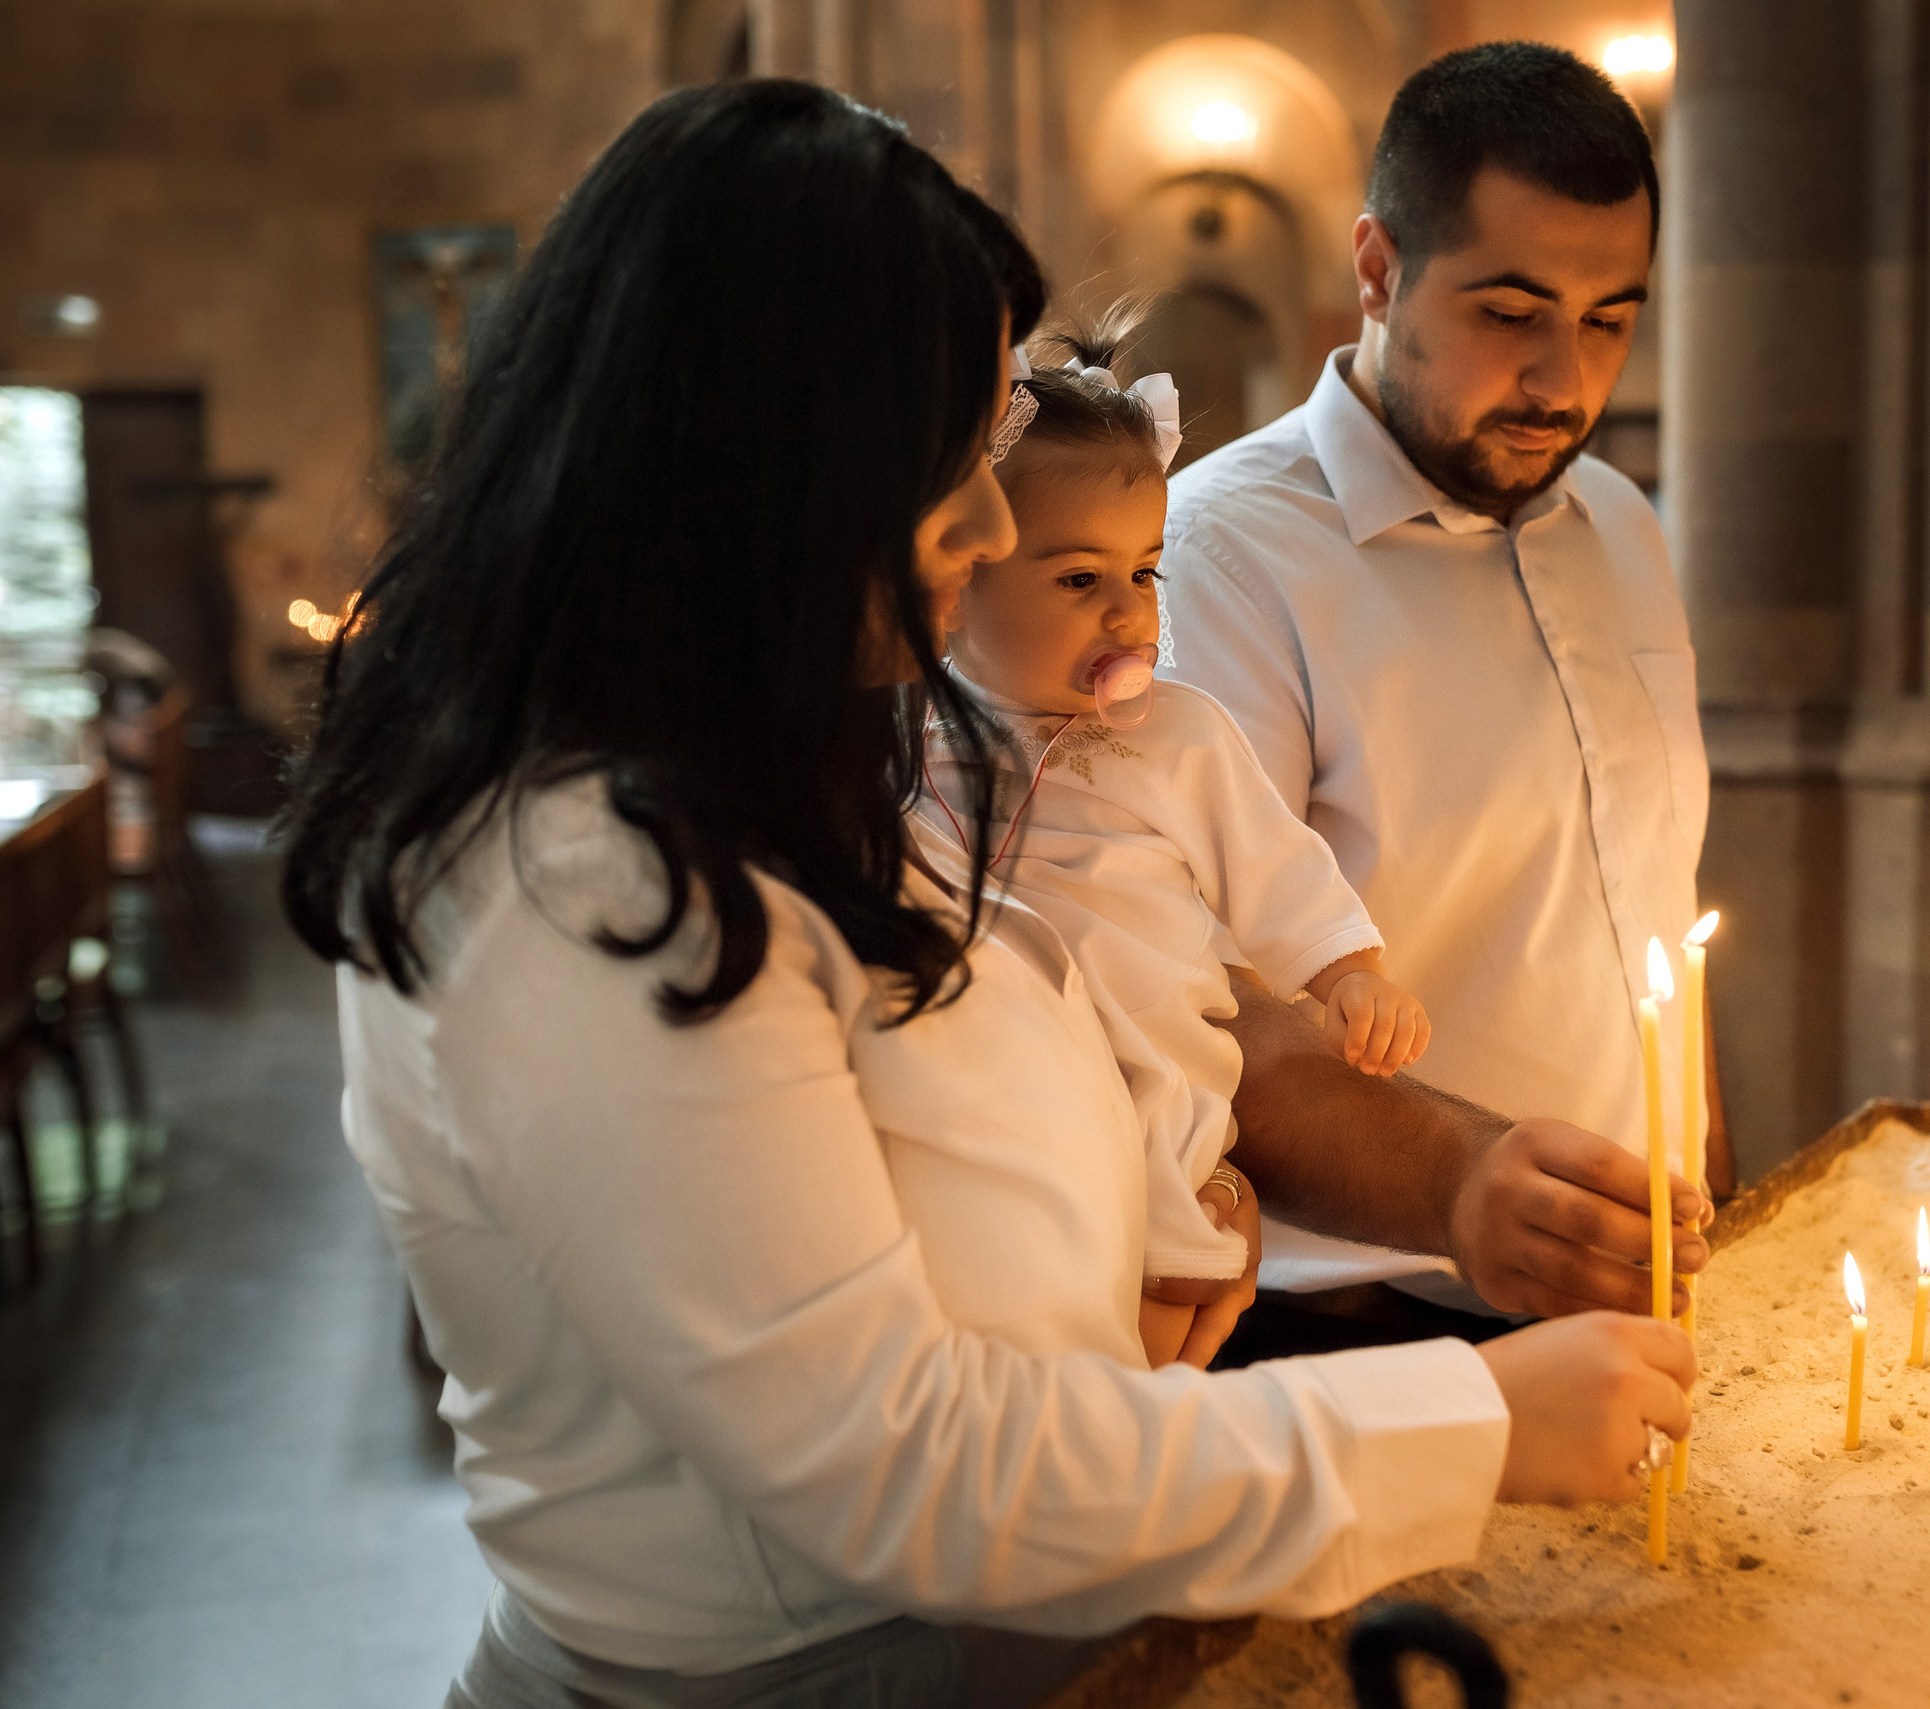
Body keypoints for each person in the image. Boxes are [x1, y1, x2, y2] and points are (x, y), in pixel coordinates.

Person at [280, 81, 1706, 1708]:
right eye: (947, 460)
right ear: (762, 463)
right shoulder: (575, 880)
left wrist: (1137, 1225)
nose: (982, 525)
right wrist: (1479, 1420)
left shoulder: (778, 752)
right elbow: (890, 1456)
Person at [1162, 42, 1729, 1323]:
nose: (1563, 382)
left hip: (1632, 1292)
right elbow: (1204, 1013)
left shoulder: (1621, 521)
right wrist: (1469, 1184)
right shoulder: (1222, 558)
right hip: (1365, 1320)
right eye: (1510, 312)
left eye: (1609, 320)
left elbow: (1643, 895)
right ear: (1377, 269)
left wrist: (1702, 1155)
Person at [919, 309, 1433, 1371]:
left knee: (1157, 1277)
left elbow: (1277, 869)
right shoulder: (916, 724)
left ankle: (1139, 1438)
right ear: (962, 577)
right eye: (1078, 580)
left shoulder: (1180, 733)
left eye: (1145, 573)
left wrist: (1350, 976)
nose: (1129, 612)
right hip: (998, 1068)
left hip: (1155, 1063)